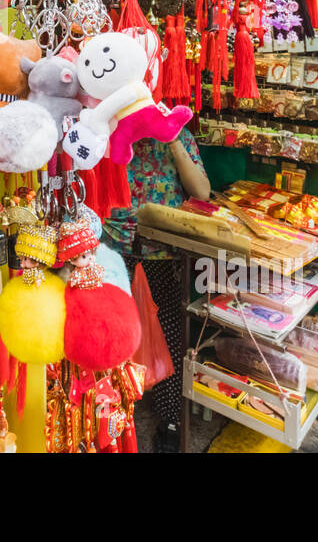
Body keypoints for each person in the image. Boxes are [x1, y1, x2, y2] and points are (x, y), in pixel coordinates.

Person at [102, 129, 211, 453]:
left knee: (168, 336)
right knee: (115, 332)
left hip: (162, 252)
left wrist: (173, 139)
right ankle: (113, 411)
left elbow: (202, 192)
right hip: (115, 247)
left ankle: (170, 421)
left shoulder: (179, 136)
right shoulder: (110, 131)